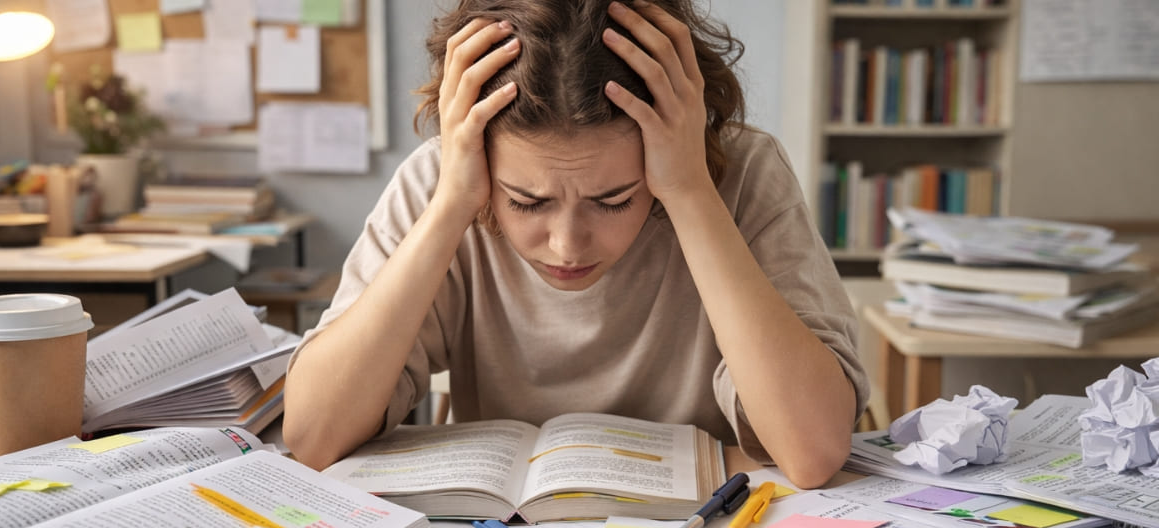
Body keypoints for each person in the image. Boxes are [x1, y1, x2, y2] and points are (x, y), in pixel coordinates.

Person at [284, 0, 868, 489]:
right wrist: (450, 207)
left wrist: (689, 192)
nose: (566, 246)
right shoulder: (442, 181)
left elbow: (811, 451)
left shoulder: (739, 175)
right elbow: (313, 437)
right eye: (526, 201)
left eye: (614, 200)